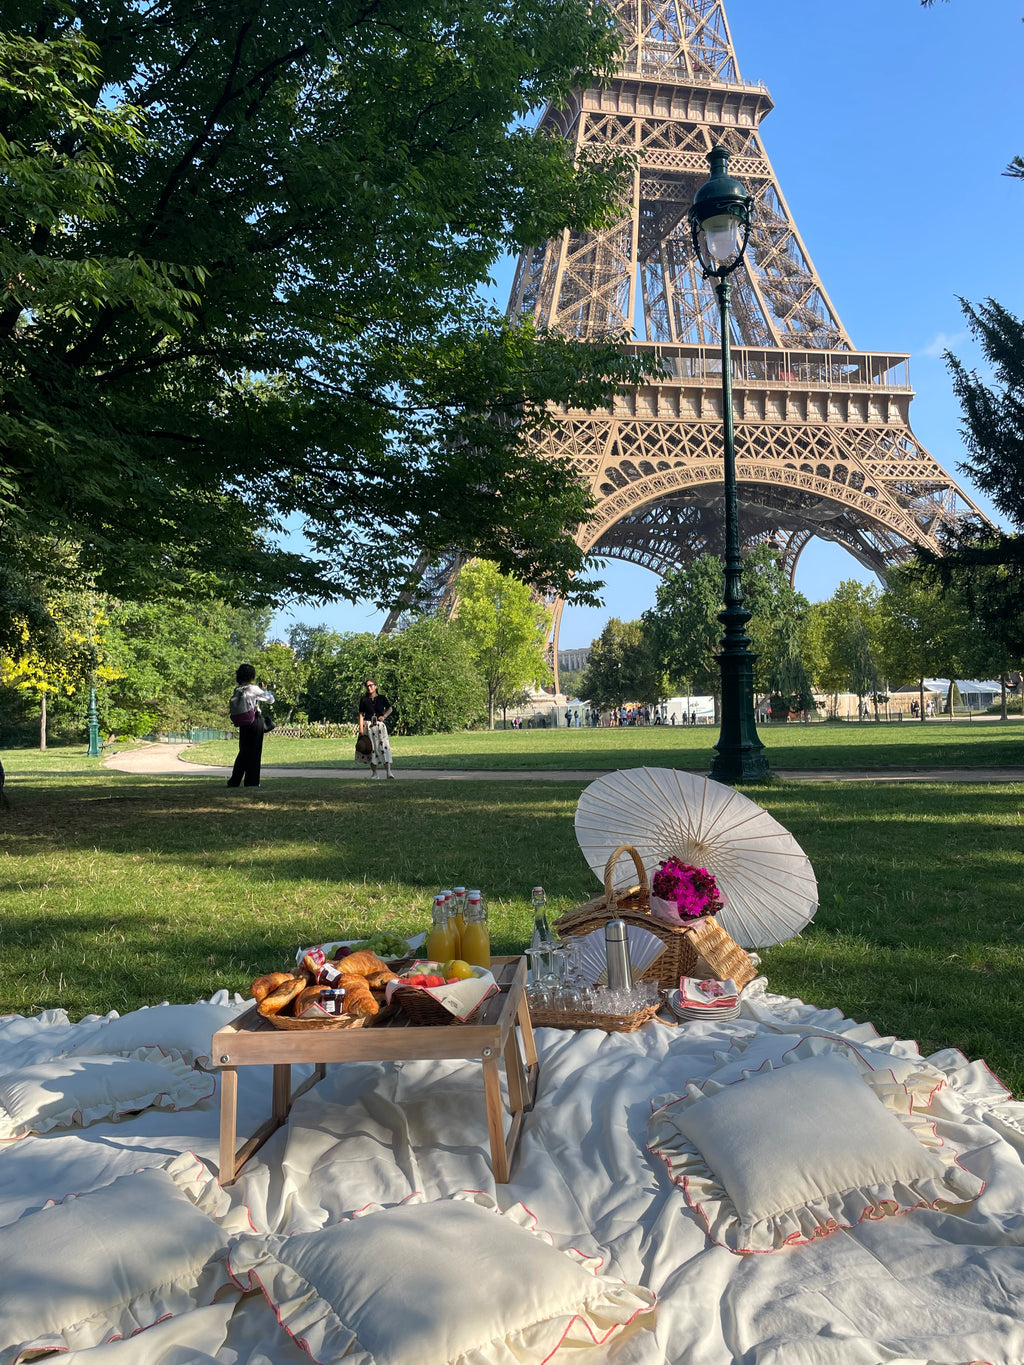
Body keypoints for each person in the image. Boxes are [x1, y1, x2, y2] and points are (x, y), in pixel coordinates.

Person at [227, 663, 275, 789]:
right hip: (254, 720)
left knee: (243, 751)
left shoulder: (237, 690)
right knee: (255, 752)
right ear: (251, 676)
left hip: (244, 723)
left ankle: (235, 780)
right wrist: (265, 691)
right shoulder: (252, 689)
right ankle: (252, 781)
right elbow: (270, 700)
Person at [358, 678, 395, 778]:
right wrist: (361, 729)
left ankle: (388, 772)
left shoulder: (382, 698)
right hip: (368, 726)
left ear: (376, 686)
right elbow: (361, 714)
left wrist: (384, 716)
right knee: (371, 749)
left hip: (379, 726)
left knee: (384, 748)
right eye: (367, 686)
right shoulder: (364, 699)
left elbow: (390, 708)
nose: (369, 687)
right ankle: (374, 773)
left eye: (371, 685)